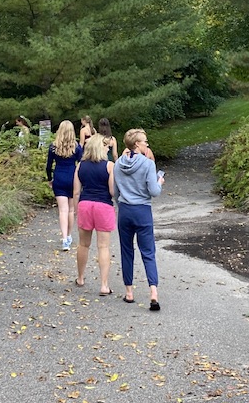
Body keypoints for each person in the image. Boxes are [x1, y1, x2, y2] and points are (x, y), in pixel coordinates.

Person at [113, 129, 165, 311]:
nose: (146, 144)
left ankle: (129, 292)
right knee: (148, 251)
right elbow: (154, 192)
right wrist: (159, 182)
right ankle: (153, 292)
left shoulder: (118, 164)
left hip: (125, 210)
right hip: (142, 210)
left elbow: (115, 192)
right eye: (145, 142)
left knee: (126, 251)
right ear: (137, 144)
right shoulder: (148, 164)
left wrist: (122, 204)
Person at [73, 134, 115, 295]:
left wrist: (76, 210)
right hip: (103, 205)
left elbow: (76, 192)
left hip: (85, 204)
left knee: (83, 244)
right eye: (106, 146)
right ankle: (104, 285)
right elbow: (112, 191)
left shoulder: (80, 166)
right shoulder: (109, 166)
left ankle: (80, 277)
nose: (108, 149)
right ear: (100, 147)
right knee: (103, 246)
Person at [46, 120, 83, 251]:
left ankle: (64, 239)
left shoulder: (53, 147)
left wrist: (50, 179)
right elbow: (81, 164)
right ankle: (69, 234)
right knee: (71, 210)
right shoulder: (77, 147)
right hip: (73, 178)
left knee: (62, 210)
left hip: (59, 177)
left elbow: (48, 166)